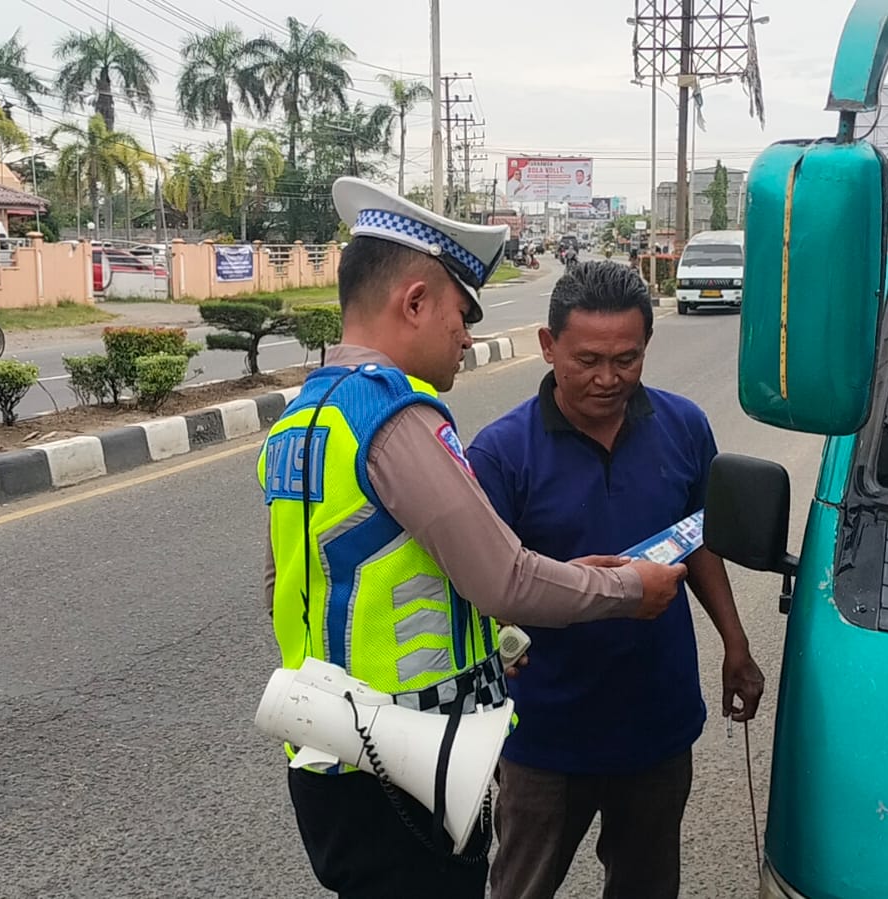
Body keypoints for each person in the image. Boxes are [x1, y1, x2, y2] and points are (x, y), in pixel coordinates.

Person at [259, 178, 690, 899]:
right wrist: (626, 587)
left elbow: (296, 587)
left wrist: (490, 636)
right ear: (416, 301)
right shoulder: (395, 418)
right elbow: (503, 579)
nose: (466, 335)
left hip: (327, 746)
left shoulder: (303, 419)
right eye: (461, 313)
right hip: (409, 759)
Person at [468, 261, 766, 899]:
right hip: (544, 734)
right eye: (587, 360)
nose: (609, 378)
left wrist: (735, 644)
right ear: (548, 348)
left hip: (655, 725)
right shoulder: (500, 454)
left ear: (647, 347)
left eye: (627, 359)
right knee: (521, 886)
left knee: (647, 885)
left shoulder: (683, 426)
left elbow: (699, 542)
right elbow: (479, 584)